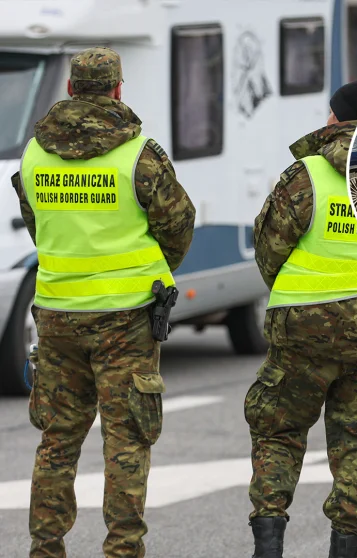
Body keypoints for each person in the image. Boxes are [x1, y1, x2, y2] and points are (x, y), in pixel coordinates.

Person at [12, 47, 195, 557]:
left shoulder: (32, 153)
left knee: (56, 443)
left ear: (70, 89)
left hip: (56, 317)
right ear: (118, 89)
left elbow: (37, 227)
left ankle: (45, 549)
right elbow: (178, 227)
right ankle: (122, 551)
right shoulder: (140, 155)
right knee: (126, 444)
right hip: (125, 321)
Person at [247, 77, 357, 558]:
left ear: (335, 117)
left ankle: (268, 544)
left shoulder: (306, 175)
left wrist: (296, 294)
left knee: (279, 432)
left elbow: (269, 250)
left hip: (304, 329)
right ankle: (346, 545)